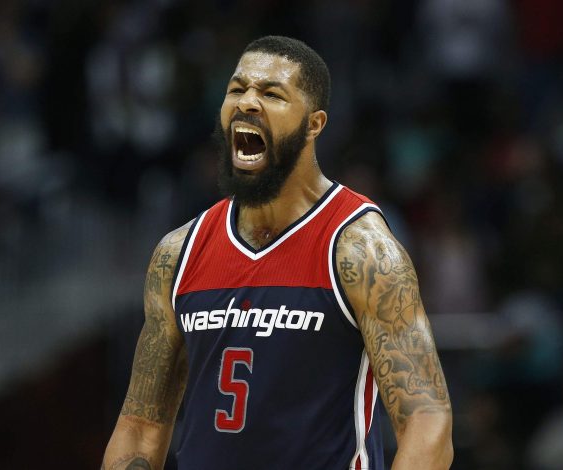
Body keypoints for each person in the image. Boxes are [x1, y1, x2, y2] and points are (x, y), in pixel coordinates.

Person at [102, 36, 453, 470]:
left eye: (271, 94)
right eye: (237, 89)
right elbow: (140, 426)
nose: (247, 102)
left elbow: (427, 425)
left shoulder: (361, 250)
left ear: (314, 124)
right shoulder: (178, 254)